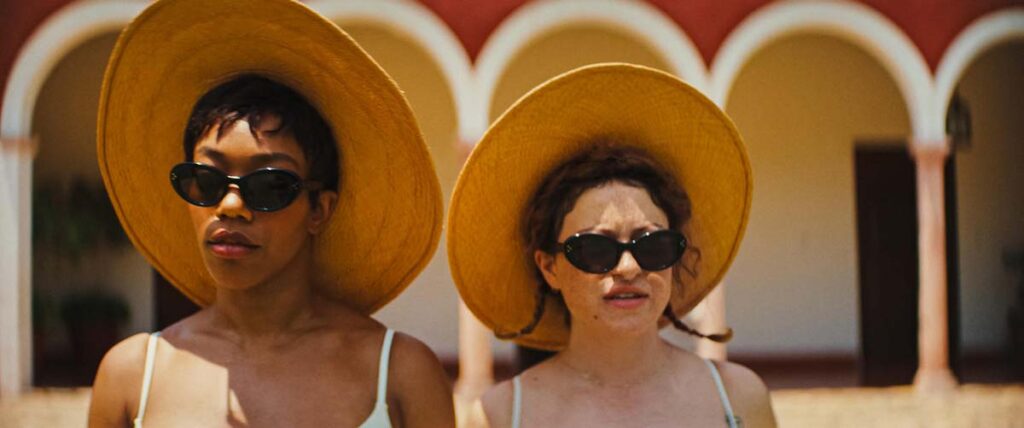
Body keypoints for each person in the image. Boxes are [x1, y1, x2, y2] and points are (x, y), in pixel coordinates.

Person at [87, 0, 453, 426]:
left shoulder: (401, 376)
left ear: (319, 209)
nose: (230, 206)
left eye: (269, 186)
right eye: (206, 181)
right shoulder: (132, 375)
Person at [449, 63, 776, 427]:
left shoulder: (738, 398)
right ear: (549, 267)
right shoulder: (499, 415)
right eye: (596, 250)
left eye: (652, 245)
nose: (628, 268)